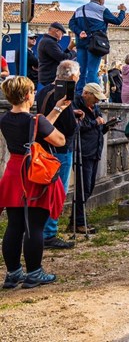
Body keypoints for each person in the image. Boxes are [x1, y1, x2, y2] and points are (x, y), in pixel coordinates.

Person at [0, 76, 70, 288]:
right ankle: (34, 273)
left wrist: (56, 110)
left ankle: (13, 273)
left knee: (15, 225)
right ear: (28, 95)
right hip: (34, 172)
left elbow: (37, 129)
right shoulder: (35, 120)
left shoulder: (4, 119)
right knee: (35, 226)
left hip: (14, 170)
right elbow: (58, 139)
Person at [36, 60, 82, 249]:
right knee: (57, 193)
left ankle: (42, 230)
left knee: (44, 192)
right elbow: (69, 126)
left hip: (44, 149)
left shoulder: (43, 91)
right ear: (72, 76)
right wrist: (76, 120)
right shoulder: (63, 94)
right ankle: (49, 233)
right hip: (60, 149)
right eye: (77, 77)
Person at [70, 83, 110, 234]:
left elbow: (96, 127)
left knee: (89, 186)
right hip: (83, 151)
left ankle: (76, 219)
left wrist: (105, 126)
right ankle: (79, 221)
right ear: (87, 94)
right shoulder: (76, 106)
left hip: (94, 150)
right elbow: (78, 127)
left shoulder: (95, 107)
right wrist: (95, 122)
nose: (97, 101)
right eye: (95, 98)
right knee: (83, 187)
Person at [69, 0, 126, 95]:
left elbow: (71, 23)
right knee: (92, 70)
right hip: (95, 45)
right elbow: (117, 21)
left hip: (81, 44)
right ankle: (93, 94)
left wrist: (79, 31)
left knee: (81, 71)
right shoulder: (102, 10)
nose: (104, 1)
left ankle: (79, 94)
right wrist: (122, 11)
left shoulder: (79, 9)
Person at [37, 22, 76, 90]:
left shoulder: (47, 41)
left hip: (47, 76)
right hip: (50, 77)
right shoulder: (49, 42)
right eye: (62, 33)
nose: (62, 36)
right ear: (57, 31)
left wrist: (69, 48)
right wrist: (74, 52)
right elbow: (62, 58)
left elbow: (58, 56)